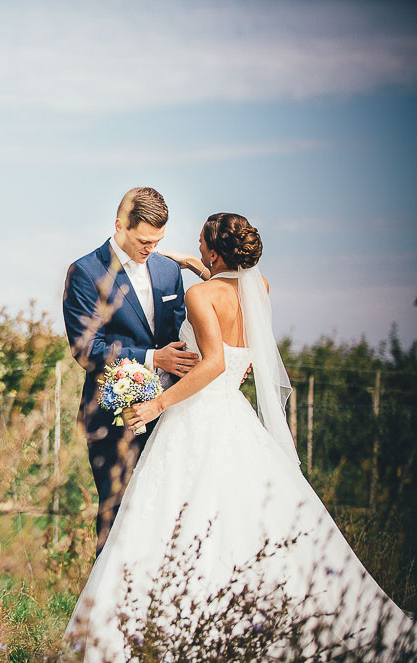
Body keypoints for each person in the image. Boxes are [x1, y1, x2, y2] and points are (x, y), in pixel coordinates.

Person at [63, 213, 415, 661]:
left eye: (199, 243)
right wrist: (197, 262)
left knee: (174, 515)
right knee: (244, 513)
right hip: (235, 412)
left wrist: (156, 405)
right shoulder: (259, 288)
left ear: (214, 251)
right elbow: (233, 323)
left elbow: (210, 363)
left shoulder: (198, 294)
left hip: (192, 412)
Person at [62, 187, 195, 554]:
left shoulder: (169, 272)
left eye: (158, 240)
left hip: (170, 415)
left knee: (168, 521)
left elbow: (181, 337)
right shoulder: (86, 272)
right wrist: (154, 359)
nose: (151, 248)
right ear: (119, 225)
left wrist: (219, 364)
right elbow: (86, 349)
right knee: (118, 520)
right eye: (144, 240)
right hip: (112, 418)